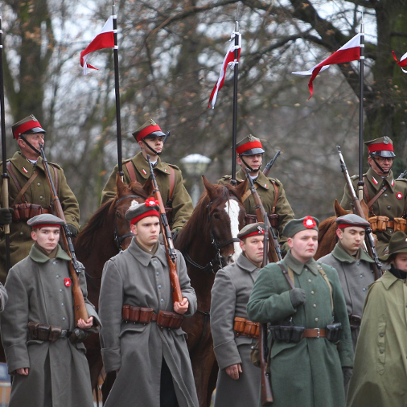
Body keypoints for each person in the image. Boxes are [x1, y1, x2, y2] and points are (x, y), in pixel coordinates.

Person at [99, 198, 198, 407]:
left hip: (172, 345)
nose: (153, 230)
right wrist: (113, 360)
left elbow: (189, 289)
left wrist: (186, 302)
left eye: (156, 224)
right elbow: (109, 318)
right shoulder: (117, 265)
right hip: (137, 348)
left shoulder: (175, 257)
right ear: (133, 229)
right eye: (147, 225)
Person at [247, 216, 354, 407]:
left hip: (325, 359)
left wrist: (346, 360)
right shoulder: (272, 272)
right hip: (289, 361)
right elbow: (254, 310)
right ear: (290, 242)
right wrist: (286, 300)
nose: (311, 242)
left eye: (314, 238)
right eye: (304, 238)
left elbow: (342, 320)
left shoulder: (328, 273)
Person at [0, 214, 100, 407]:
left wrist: (90, 317)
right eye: (45, 232)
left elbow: (85, 300)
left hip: (71, 352)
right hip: (38, 356)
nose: (52, 237)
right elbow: (13, 322)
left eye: (55, 232)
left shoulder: (75, 267)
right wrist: (18, 359)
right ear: (34, 235)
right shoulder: (20, 272)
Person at [0, 115, 80, 282]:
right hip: (17, 245)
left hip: (52, 242)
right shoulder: (5, 171)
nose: (41, 141)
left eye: (42, 137)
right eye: (35, 137)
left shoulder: (55, 172)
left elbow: (71, 205)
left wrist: (70, 224)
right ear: (22, 142)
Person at [100, 118, 193, 235]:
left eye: (160, 139)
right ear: (141, 143)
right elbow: (108, 201)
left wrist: (178, 230)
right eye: (152, 139)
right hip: (131, 235)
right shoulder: (125, 169)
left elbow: (184, 207)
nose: (158, 143)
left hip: (165, 236)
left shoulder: (173, 174)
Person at [347, 231, 407, 407]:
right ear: (392, 260)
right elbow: (371, 339)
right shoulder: (380, 290)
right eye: (404, 259)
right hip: (389, 373)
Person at [210, 222, 264, 407]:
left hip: (269, 351)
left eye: (264, 241)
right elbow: (220, 321)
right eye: (254, 242)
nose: (261, 246)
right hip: (244, 353)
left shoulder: (272, 273)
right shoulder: (228, 276)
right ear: (242, 245)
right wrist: (229, 358)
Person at [219, 135, 294, 250]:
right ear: (239, 160)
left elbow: (287, 218)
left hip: (268, 247)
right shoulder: (226, 185)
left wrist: (285, 245)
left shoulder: (274, 187)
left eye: (258, 156)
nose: (256, 159)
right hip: (235, 247)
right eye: (250, 156)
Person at [340, 136, 407, 256]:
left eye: (390, 159)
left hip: (400, 243)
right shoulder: (358, 185)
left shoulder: (403, 187)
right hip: (369, 244)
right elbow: (344, 216)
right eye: (381, 159)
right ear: (370, 161)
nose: (387, 163)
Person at [318, 214, 375, 351]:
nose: (358, 238)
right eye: (352, 232)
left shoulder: (372, 265)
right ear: (339, 233)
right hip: (340, 339)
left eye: (361, 233)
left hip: (371, 336)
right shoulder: (322, 265)